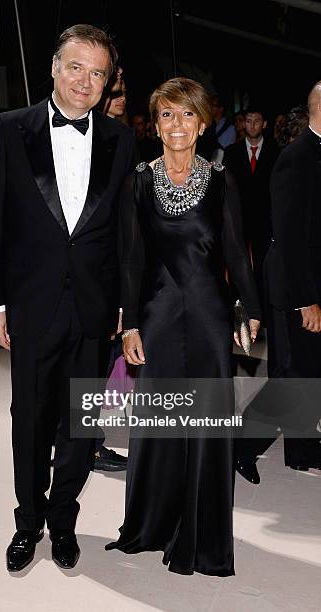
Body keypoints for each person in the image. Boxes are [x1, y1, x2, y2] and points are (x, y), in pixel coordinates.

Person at [0, 24, 135, 572]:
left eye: (97, 73)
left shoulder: (121, 140)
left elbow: (124, 235)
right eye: (76, 67)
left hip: (94, 309)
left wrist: (123, 306)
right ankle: (28, 523)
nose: (85, 81)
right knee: (31, 421)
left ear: (107, 81)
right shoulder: (9, 129)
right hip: (30, 305)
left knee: (81, 422)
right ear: (53, 67)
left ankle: (63, 521)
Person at [105, 77, 261, 576]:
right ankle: (152, 522)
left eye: (186, 114)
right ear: (155, 125)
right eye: (166, 115)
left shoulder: (221, 180)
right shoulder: (140, 181)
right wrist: (129, 325)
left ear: (202, 122)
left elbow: (237, 252)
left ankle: (204, 534)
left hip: (211, 316)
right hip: (156, 315)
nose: (177, 125)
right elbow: (130, 260)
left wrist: (250, 308)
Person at [235, 84, 321, 482]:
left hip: (311, 281)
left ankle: (302, 449)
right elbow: (289, 237)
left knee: (307, 371)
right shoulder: (296, 158)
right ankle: (241, 446)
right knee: (291, 376)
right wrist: (306, 299)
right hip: (295, 285)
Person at [224, 108, 279, 310]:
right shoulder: (232, 153)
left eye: (257, 120)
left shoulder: (276, 152)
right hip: (239, 219)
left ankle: (264, 309)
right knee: (239, 263)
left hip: (267, 219)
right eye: (248, 120)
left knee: (265, 265)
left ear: (264, 124)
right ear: (242, 124)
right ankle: (242, 309)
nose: (253, 124)